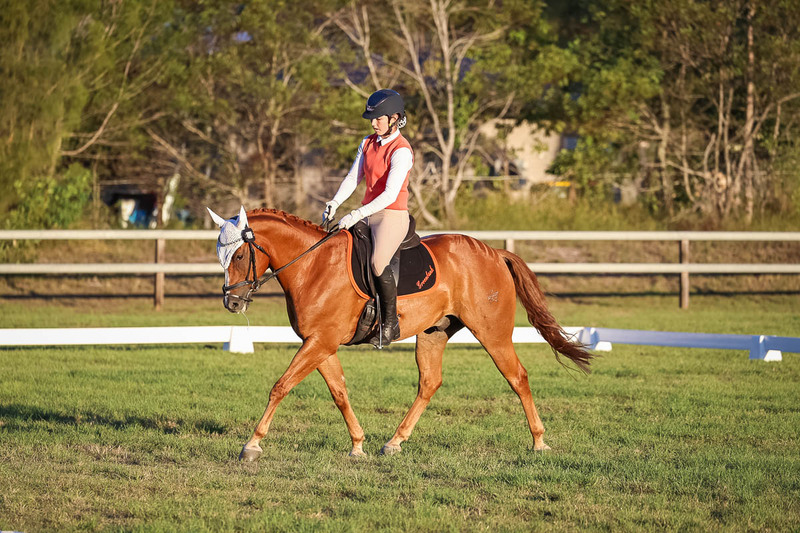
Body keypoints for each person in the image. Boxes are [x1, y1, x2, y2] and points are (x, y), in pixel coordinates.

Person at [323, 89, 413, 348]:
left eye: (378, 119)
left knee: (377, 262)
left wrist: (355, 213)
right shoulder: (367, 143)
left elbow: (389, 194)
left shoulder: (402, 151)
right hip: (368, 212)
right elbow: (353, 178)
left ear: (394, 118)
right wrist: (335, 203)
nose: (373, 123)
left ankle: (389, 323)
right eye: (371, 119)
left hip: (392, 215)